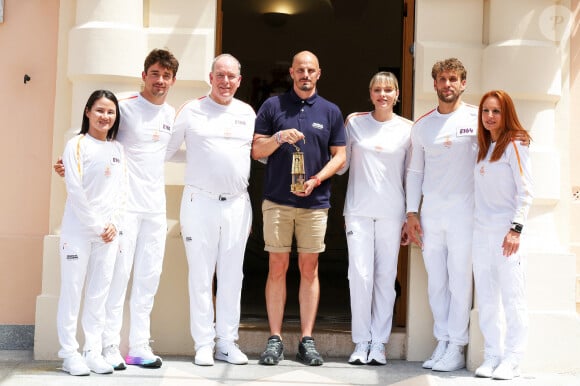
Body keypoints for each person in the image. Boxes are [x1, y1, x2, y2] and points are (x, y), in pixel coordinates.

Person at [55, 49, 179, 370]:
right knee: (117, 278)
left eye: (166, 75)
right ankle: (108, 345)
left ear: (173, 80)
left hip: (154, 208)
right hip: (122, 210)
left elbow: (170, 154)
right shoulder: (123, 107)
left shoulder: (171, 115)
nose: (160, 80)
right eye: (155, 73)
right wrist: (67, 165)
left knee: (149, 277)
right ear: (144, 75)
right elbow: (91, 140)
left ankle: (138, 346)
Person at [251, 50, 346, 366]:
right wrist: (278, 136)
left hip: (315, 203)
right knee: (277, 266)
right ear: (291, 73)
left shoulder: (330, 111)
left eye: (311, 70)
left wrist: (318, 179)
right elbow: (256, 150)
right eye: (300, 70)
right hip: (278, 201)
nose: (305, 75)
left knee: (310, 269)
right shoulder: (273, 106)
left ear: (319, 73)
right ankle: (275, 339)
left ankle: (307, 339)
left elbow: (341, 155)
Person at [165, 53, 255, 366]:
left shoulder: (247, 112)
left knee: (233, 276)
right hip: (199, 202)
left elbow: (250, 153)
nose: (226, 81)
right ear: (211, 77)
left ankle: (227, 342)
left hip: (237, 205)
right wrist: (196, 160)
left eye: (232, 76)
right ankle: (203, 343)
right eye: (221, 75)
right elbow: (167, 149)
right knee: (201, 276)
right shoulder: (191, 109)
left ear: (239, 80)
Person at [405, 58, 477, 372]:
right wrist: (411, 212)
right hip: (431, 213)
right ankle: (443, 340)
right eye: (442, 79)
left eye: (453, 79)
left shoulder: (478, 119)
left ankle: (458, 346)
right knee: (436, 281)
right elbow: (414, 171)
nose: (447, 84)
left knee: (459, 280)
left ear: (463, 83)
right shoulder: (422, 125)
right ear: (434, 83)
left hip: (465, 213)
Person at [337, 72, 412, 366]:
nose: (383, 94)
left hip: (392, 214)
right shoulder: (354, 122)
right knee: (359, 276)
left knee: (384, 277)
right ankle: (361, 341)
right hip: (357, 211)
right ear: (370, 93)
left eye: (388, 90)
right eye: (378, 89)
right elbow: (341, 163)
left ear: (397, 95)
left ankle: (379, 343)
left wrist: (410, 215)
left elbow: (411, 175)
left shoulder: (408, 129)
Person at [57, 90, 125, 376]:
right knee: (72, 292)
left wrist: (114, 225)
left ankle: (92, 351)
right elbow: (75, 191)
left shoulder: (117, 149)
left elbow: (122, 192)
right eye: (99, 110)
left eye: (110, 112)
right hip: (78, 232)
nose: (105, 117)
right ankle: (69, 354)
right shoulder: (76, 145)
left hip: (108, 235)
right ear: (87, 112)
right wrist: (98, 225)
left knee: (99, 294)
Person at [472, 90, 532, 380]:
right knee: (486, 297)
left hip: (506, 233)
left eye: (495, 111)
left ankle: (513, 358)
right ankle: (492, 354)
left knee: (512, 296)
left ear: (505, 113)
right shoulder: (483, 147)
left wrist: (515, 229)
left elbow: (526, 192)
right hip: (480, 233)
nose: (490, 117)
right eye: (485, 111)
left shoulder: (515, 145)